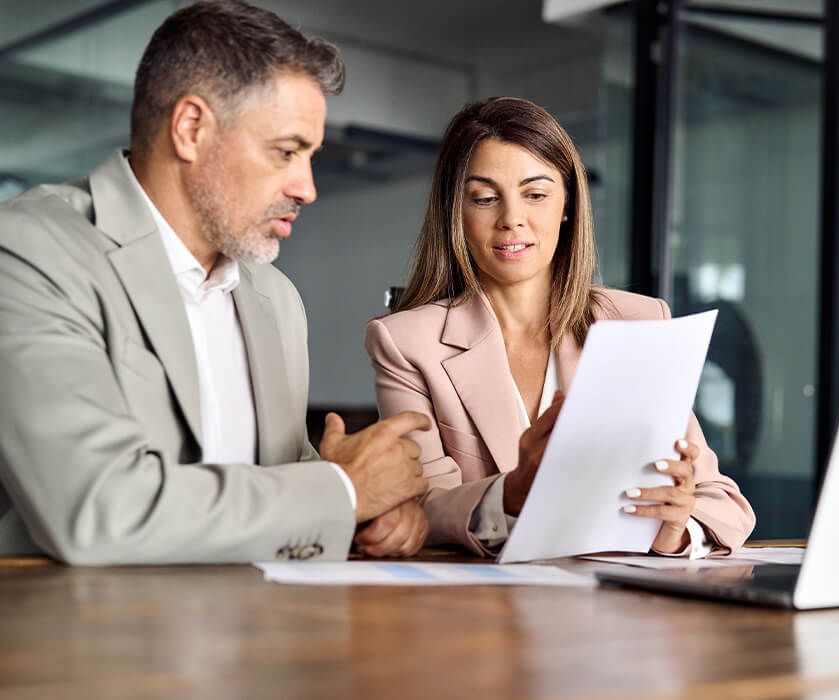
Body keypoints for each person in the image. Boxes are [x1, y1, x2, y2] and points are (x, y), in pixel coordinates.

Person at [0, 0, 431, 564]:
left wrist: (370, 513)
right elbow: (99, 507)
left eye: (311, 157)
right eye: (286, 152)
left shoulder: (276, 299)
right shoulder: (29, 250)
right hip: (81, 639)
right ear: (191, 128)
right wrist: (343, 491)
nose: (307, 188)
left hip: (261, 632)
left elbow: (284, 492)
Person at [365, 97, 755, 557]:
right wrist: (506, 495)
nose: (512, 218)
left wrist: (675, 527)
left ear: (567, 205)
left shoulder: (637, 322)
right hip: (481, 613)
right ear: (457, 212)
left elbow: (724, 503)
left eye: (536, 194)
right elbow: (419, 506)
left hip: (617, 608)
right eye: (486, 198)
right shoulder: (407, 343)